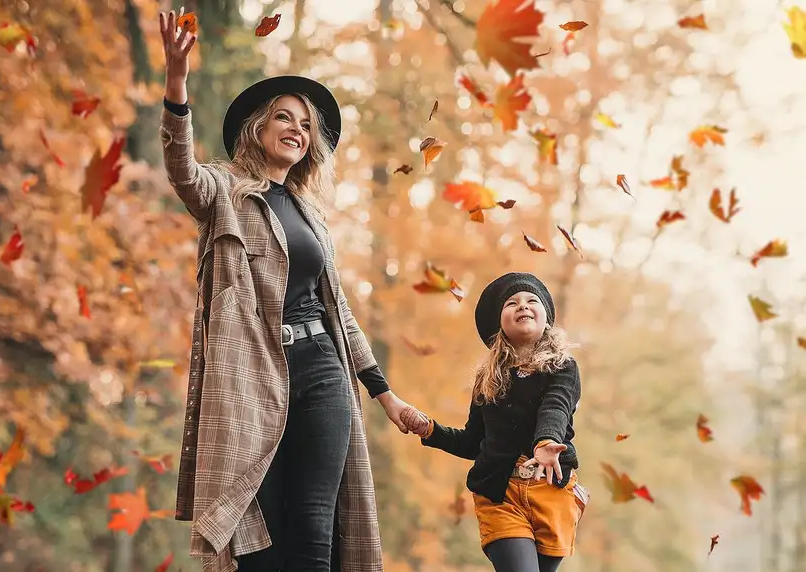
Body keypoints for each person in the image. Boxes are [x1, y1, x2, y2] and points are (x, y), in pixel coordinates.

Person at [158, 8, 428, 572]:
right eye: (284, 118)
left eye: (305, 126)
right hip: (252, 375)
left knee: (315, 526)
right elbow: (181, 170)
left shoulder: (311, 216)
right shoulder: (224, 192)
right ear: (258, 127)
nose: (297, 131)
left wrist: (386, 395)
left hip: (323, 370)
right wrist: (177, 85)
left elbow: (340, 312)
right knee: (256, 527)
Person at [403, 272, 589, 572]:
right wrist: (430, 430)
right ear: (499, 323)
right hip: (500, 496)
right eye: (512, 303)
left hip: (550, 491)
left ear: (546, 319)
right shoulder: (487, 380)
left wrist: (545, 442)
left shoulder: (563, 368)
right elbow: (473, 441)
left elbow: (556, 406)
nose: (523, 306)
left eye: (531, 300)